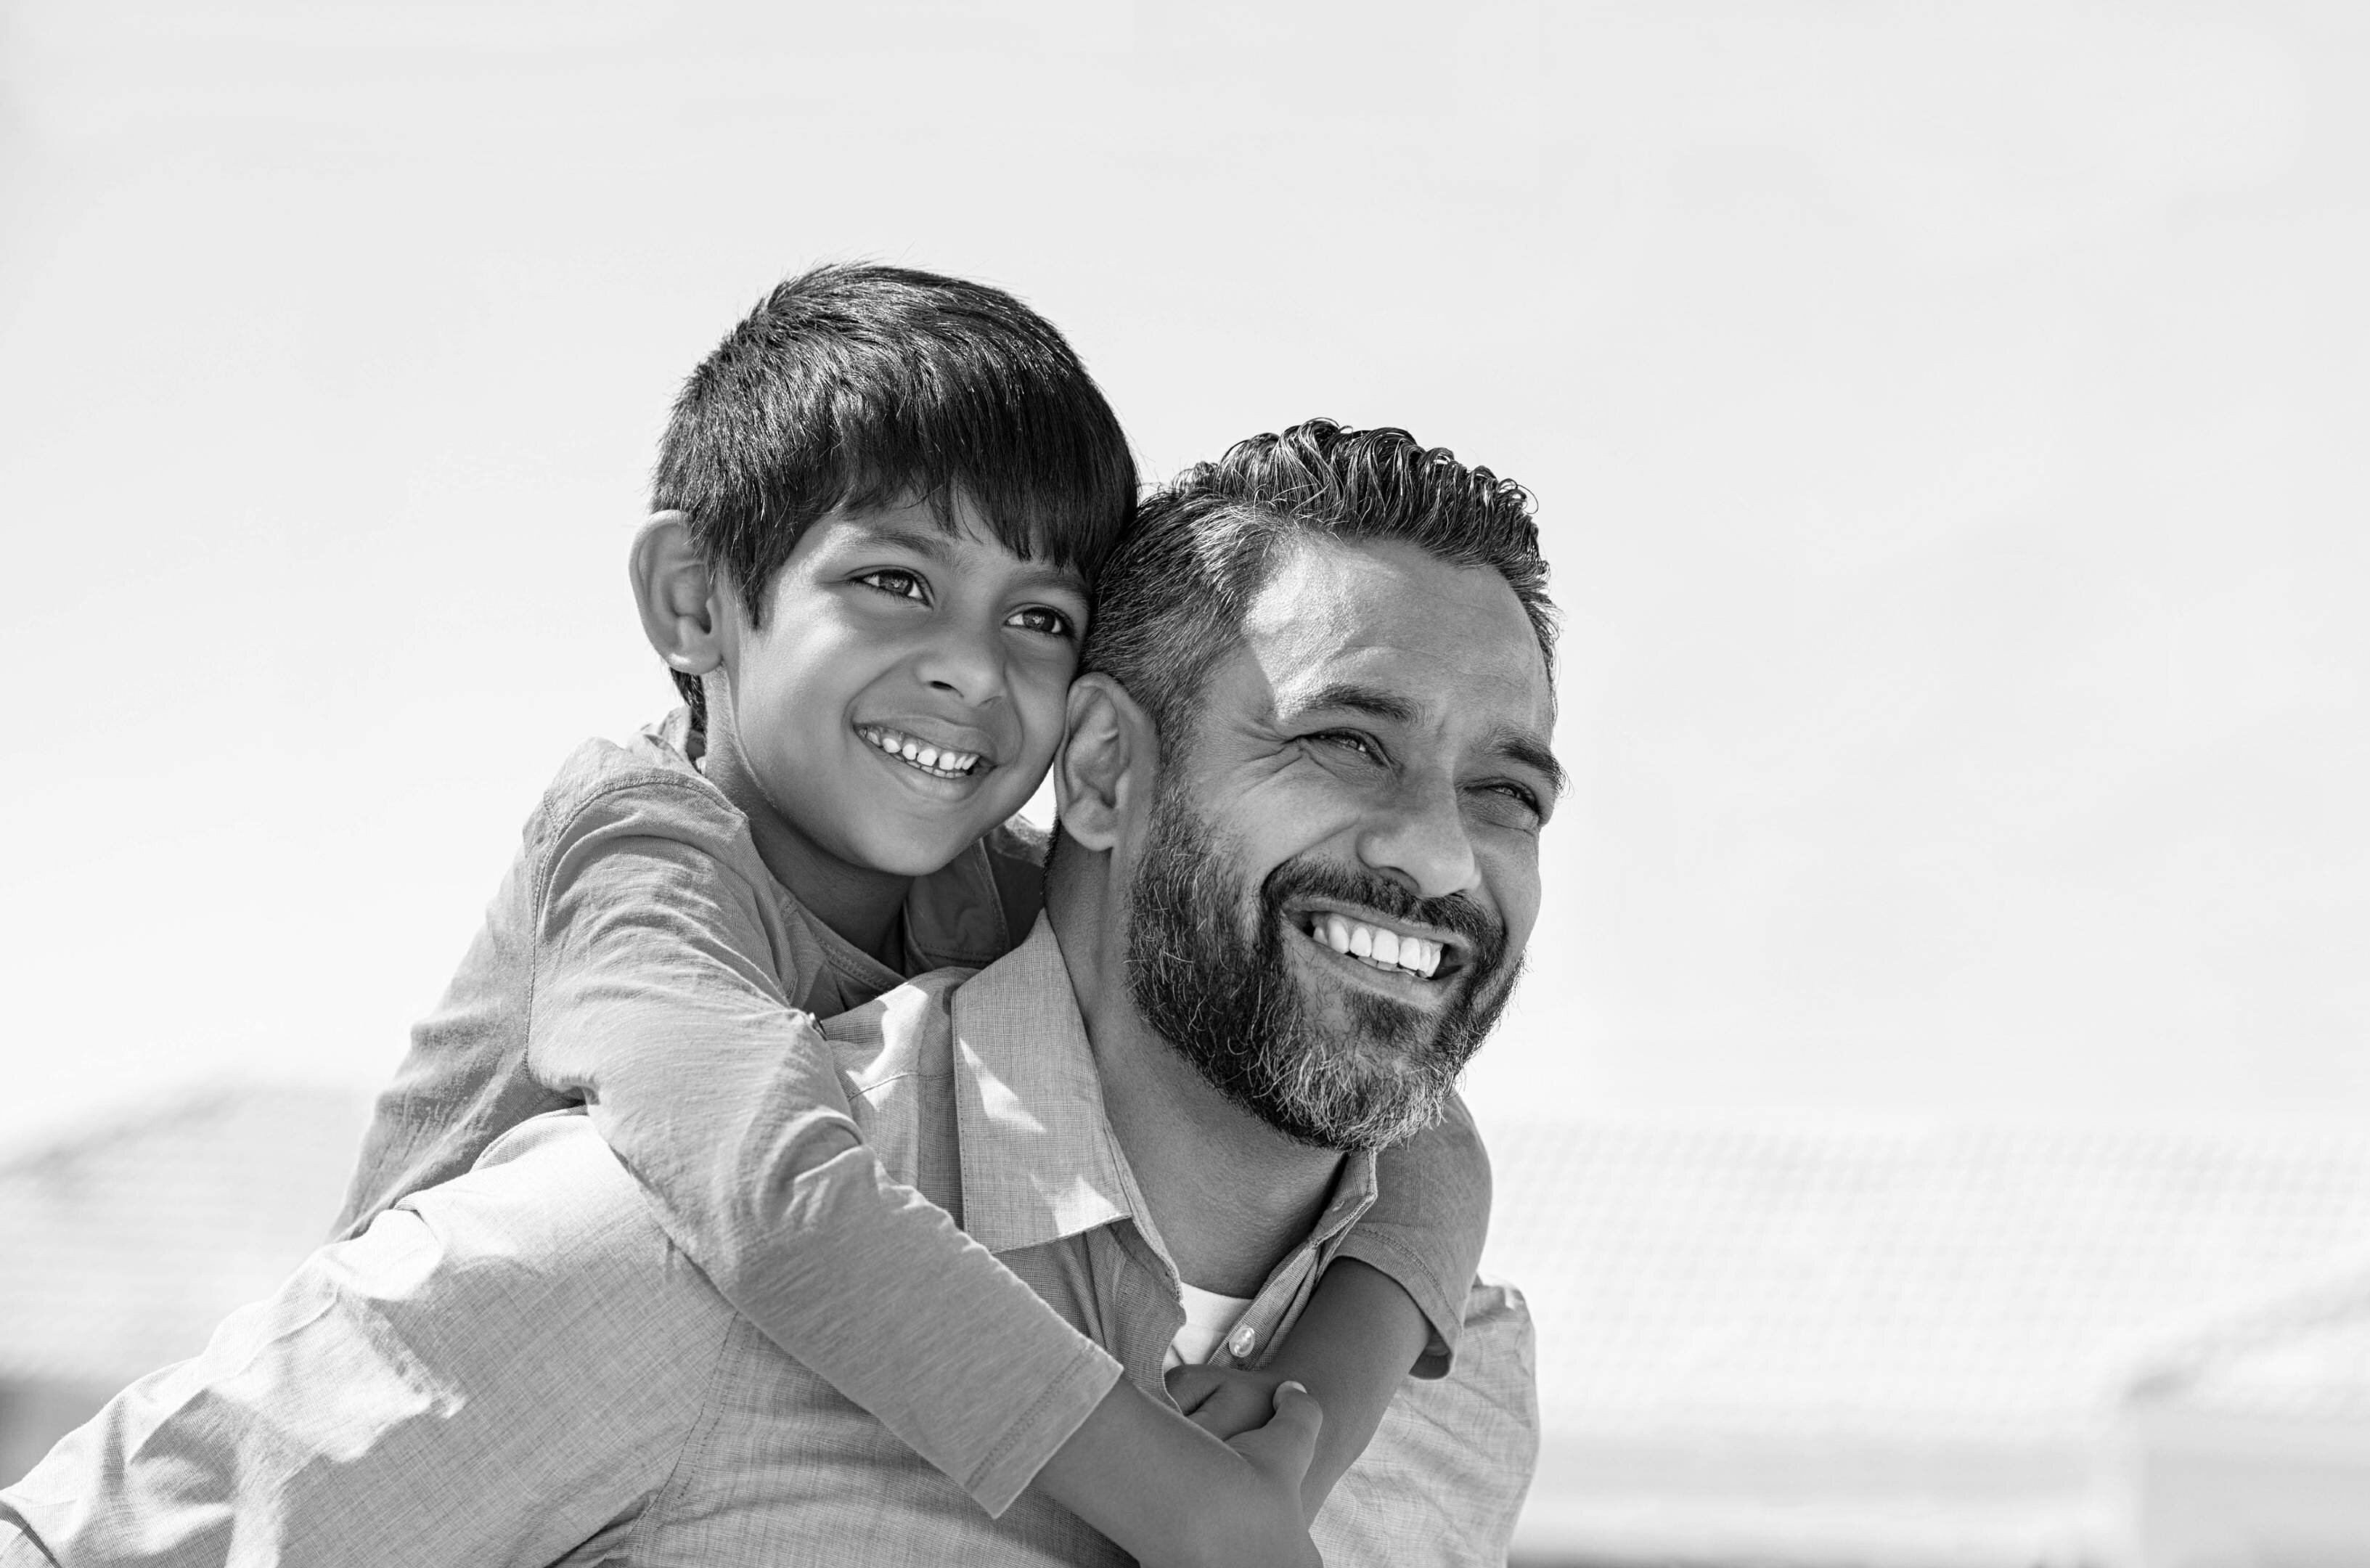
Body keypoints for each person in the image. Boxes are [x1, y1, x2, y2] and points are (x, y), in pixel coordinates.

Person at [0, 417, 1561, 1565]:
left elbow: (1430, 1154)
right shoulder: (645, 1234)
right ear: (1100, 771)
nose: (1438, 855)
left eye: (1509, 793)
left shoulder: (1457, 1386)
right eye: (1345, 741)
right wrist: (1201, 1509)